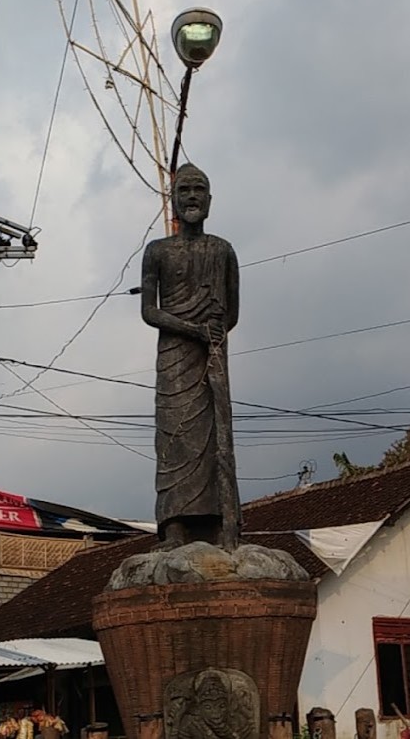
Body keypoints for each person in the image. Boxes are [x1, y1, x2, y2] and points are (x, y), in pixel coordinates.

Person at [141, 163, 240, 550]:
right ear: (174, 201)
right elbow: (150, 311)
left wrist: (213, 332)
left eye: (200, 189)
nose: (193, 197)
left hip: (212, 355)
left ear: (210, 201)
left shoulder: (223, 250)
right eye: (185, 190)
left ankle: (219, 522)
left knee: (216, 437)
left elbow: (232, 311)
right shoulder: (158, 251)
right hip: (174, 355)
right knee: (175, 437)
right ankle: (176, 525)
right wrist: (191, 329)